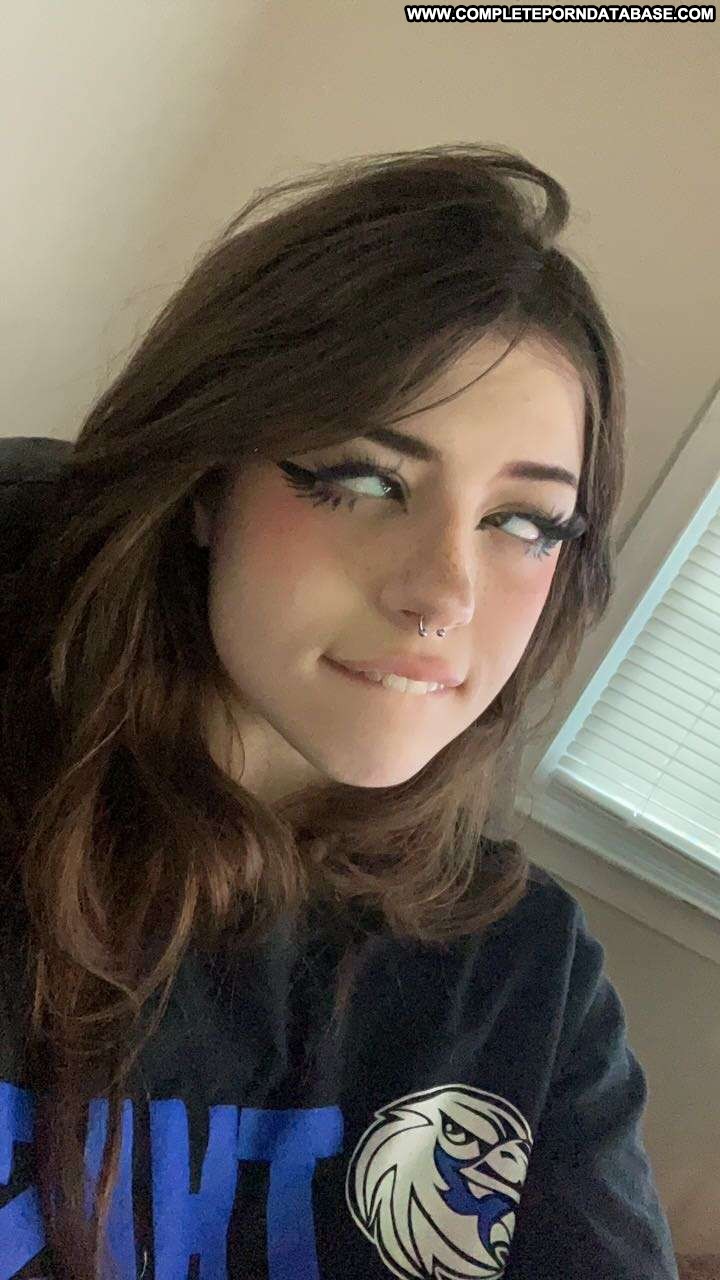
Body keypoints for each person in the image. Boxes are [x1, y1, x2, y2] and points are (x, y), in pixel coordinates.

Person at [0, 144, 680, 1278]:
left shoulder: (522, 975)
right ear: (208, 484)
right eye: (367, 480)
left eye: (522, 523)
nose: (444, 595)